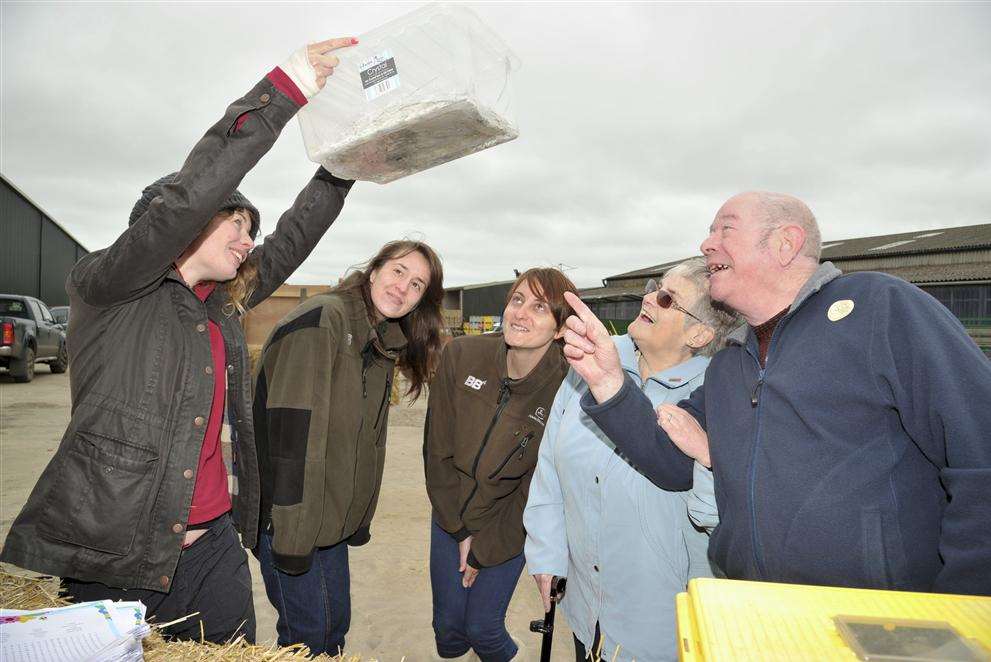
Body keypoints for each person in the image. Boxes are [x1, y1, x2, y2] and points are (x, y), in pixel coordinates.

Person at [0, 37, 360, 642]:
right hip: (115, 544)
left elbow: (292, 239)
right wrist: (286, 88)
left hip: (213, 541)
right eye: (237, 223)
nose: (248, 240)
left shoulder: (217, 307)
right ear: (182, 225)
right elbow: (190, 194)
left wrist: (341, 170)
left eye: (250, 230)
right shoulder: (110, 283)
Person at [561, 191, 991, 597]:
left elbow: (978, 450)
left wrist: (963, 607)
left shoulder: (881, 308)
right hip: (756, 613)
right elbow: (670, 464)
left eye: (725, 229)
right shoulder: (729, 366)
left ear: (786, 243)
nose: (706, 244)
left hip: (879, 622)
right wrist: (608, 382)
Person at [524, 257, 739, 662]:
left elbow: (718, 514)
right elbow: (549, 464)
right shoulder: (592, 360)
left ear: (699, 334)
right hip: (586, 609)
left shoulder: (720, 395)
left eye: (667, 298)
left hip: (658, 627)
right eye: (655, 286)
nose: (649, 298)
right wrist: (547, 552)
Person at [253, 239, 445, 657]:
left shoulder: (379, 340)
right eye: (398, 272)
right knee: (309, 639)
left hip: (329, 520)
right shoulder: (325, 321)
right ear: (374, 270)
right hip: (289, 518)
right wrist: (291, 539)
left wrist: (356, 518)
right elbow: (293, 440)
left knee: (333, 630)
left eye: (416, 285)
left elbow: (368, 441)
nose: (403, 288)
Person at [424, 268, 578, 662]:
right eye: (517, 300)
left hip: (510, 521)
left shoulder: (567, 388)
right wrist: (458, 530)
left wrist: (483, 549)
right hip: (451, 511)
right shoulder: (461, 355)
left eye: (540, 307)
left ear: (561, 328)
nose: (521, 313)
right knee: (449, 629)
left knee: (482, 627)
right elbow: (436, 452)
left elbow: (537, 488)